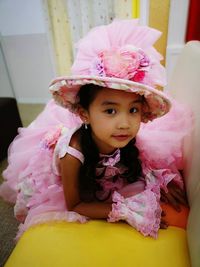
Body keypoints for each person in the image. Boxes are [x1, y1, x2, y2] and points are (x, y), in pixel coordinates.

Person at [0, 19, 191, 239]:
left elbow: (133, 159)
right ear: (84, 114)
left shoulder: (119, 135)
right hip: (62, 179)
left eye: (133, 110)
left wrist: (157, 180)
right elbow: (76, 204)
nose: (124, 123)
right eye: (110, 111)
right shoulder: (72, 155)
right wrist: (125, 212)